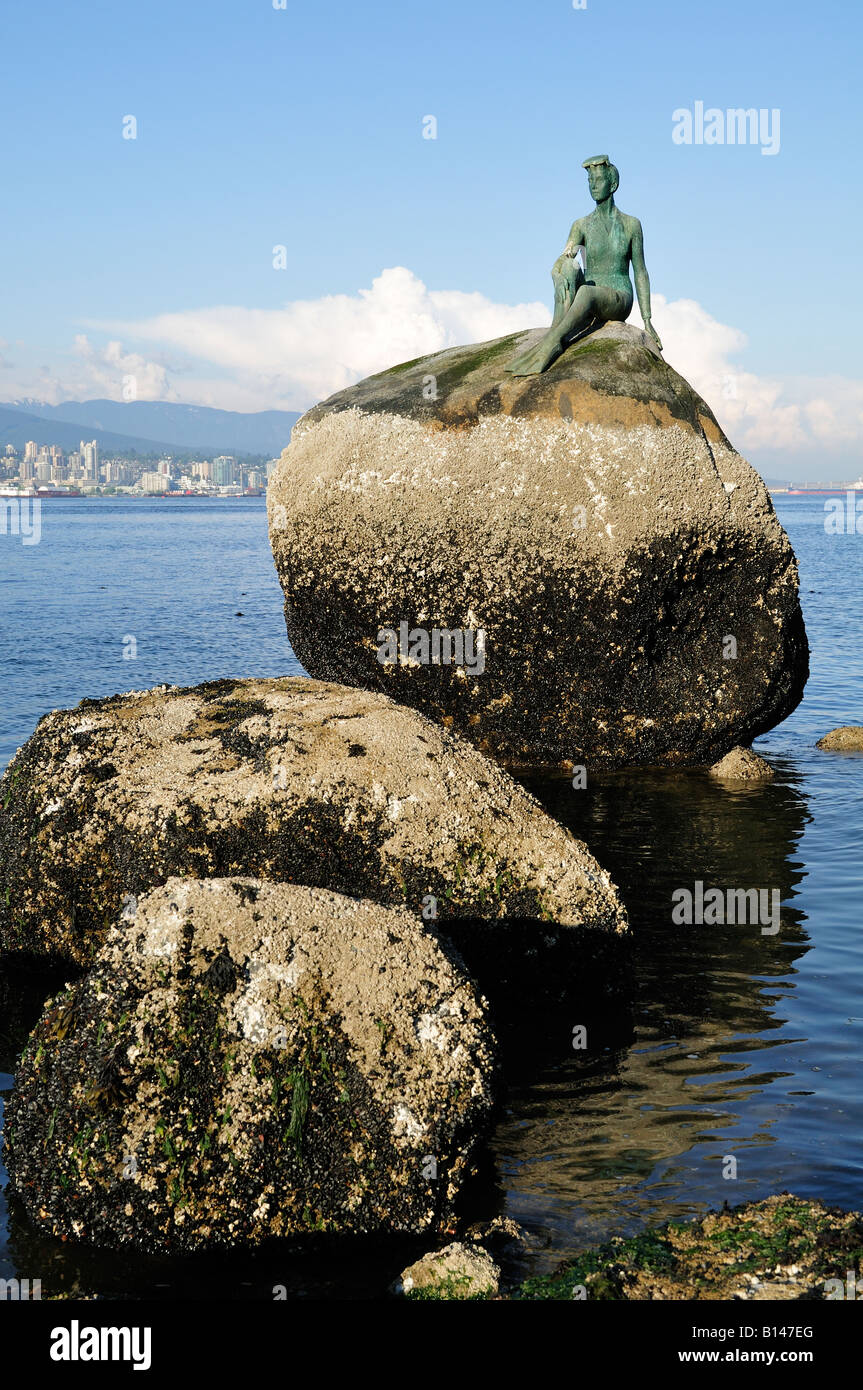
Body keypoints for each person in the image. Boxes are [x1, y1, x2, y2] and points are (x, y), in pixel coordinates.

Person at [507, 155, 662, 376]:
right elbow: (565, 256)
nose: (593, 186)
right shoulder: (581, 225)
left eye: (598, 180)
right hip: (588, 292)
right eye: (590, 181)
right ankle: (558, 328)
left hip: (618, 297)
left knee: (587, 293)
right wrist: (557, 271)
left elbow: (640, 272)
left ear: (613, 184)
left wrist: (647, 320)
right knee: (570, 269)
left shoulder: (631, 225)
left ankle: (553, 342)